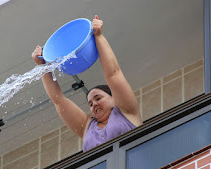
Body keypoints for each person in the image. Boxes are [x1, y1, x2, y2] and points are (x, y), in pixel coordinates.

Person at [32, 15, 142, 152]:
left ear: (114, 98)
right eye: (90, 104)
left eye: (98, 98)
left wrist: (98, 36)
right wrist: (42, 65)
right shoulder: (87, 127)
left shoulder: (126, 111)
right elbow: (58, 100)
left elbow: (114, 74)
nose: (94, 104)